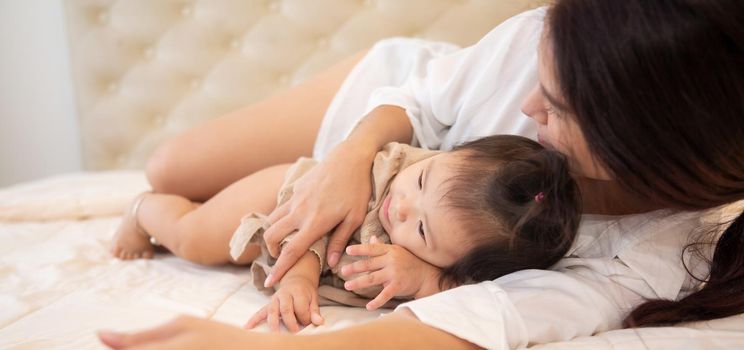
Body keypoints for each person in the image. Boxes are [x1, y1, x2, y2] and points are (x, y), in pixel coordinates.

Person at [99, 0, 744, 349]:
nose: (526, 107)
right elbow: (420, 105)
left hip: (396, 176)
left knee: (193, 203)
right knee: (167, 168)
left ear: (646, 145)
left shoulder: (660, 254)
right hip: (390, 121)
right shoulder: (539, 42)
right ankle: (148, 208)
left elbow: (482, 319)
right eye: (539, 80)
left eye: (559, 106)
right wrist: (350, 161)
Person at [112, 134, 580, 332]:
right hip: (286, 202)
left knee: (212, 239)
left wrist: (423, 278)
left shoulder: (464, 261)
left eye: (420, 228)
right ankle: (143, 209)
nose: (403, 205)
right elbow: (318, 227)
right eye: (421, 181)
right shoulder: (389, 173)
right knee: (194, 239)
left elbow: (464, 298)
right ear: (444, 154)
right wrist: (296, 282)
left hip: (292, 248)